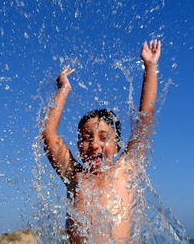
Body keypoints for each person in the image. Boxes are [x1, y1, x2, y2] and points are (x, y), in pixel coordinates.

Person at [42, 40, 161, 243]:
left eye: (104, 138)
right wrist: (64, 89)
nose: (95, 144)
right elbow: (48, 134)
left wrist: (150, 67)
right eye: (87, 138)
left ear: (118, 145)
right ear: (79, 147)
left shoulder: (126, 168)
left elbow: (145, 119)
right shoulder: (74, 176)